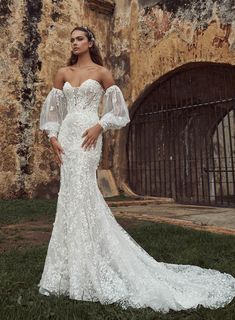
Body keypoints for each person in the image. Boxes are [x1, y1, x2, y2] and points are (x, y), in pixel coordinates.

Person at [38, 26, 235, 313]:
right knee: (69, 198)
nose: (75, 43)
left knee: (84, 194)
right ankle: (66, 271)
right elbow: (52, 111)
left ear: (90, 42)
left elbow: (119, 112)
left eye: (80, 38)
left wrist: (100, 125)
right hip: (68, 137)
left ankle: (87, 267)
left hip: (90, 137)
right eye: (72, 40)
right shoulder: (62, 73)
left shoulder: (102, 73)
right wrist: (53, 137)